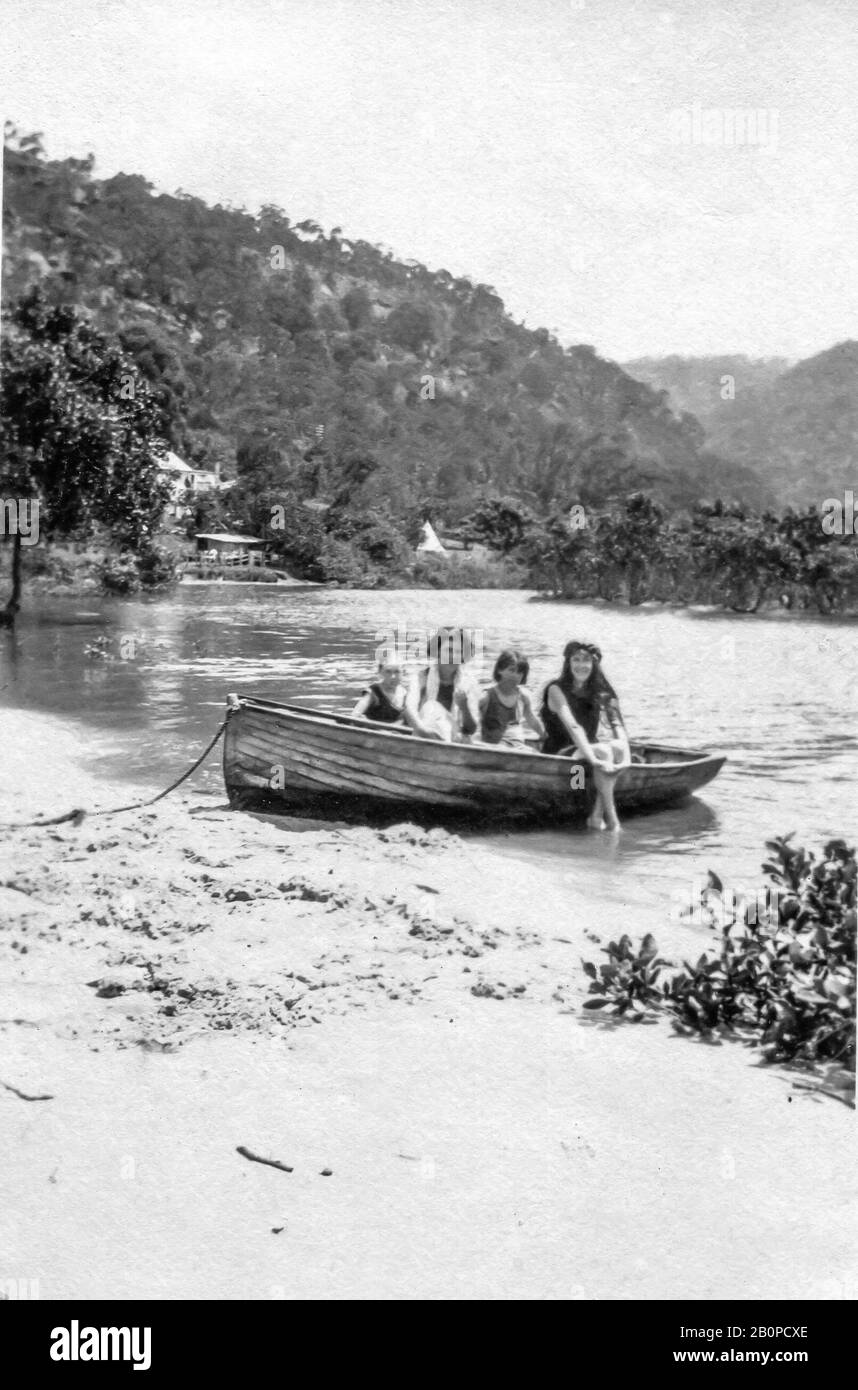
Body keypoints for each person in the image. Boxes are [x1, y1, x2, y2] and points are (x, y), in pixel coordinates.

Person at [540, 640, 631, 830]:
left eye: (586, 660)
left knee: (615, 748)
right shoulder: (556, 689)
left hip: (587, 754)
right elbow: (574, 727)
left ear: (594, 664)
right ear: (568, 662)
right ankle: (612, 820)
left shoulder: (600, 692)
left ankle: (596, 816)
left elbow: (619, 729)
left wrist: (626, 760)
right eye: (576, 659)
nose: (581, 665)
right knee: (604, 753)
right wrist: (593, 758)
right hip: (563, 758)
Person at [404, 626, 481, 742]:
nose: (454, 657)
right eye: (449, 650)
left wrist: (464, 707)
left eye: (459, 652)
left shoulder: (469, 684)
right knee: (431, 707)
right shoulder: (421, 677)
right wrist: (422, 731)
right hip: (423, 736)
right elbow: (409, 708)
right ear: (437, 651)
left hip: (454, 741)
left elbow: (471, 729)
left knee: (433, 708)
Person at [478, 649, 545, 748]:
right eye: (511, 670)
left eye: (520, 672)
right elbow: (472, 720)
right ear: (500, 670)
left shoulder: (523, 697)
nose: (515, 676)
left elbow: (532, 719)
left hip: (517, 746)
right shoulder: (487, 696)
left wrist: (544, 735)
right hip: (493, 748)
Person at [351, 656, 407, 724]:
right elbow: (355, 715)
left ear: (403, 672)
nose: (393, 676)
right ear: (380, 672)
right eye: (388, 672)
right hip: (373, 731)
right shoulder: (373, 692)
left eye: (397, 672)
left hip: (396, 732)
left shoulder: (406, 694)